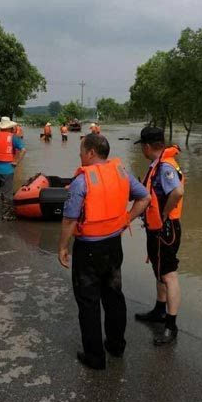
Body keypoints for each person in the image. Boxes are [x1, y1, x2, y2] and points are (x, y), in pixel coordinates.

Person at [58, 134, 150, 370]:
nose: (79, 155)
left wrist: (62, 247)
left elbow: (69, 220)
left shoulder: (82, 181)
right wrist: (126, 220)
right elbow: (145, 197)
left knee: (88, 303)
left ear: (90, 153)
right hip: (113, 246)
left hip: (88, 250)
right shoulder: (122, 173)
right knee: (114, 296)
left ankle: (95, 357)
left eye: (81, 151)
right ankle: (117, 346)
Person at [134, 127, 185, 346]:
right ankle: (159, 310)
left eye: (142, 147)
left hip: (166, 228)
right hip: (157, 228)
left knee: (169, 275)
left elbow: (177, 192)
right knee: (159, 270)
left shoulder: (165, 166)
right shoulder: (158, 164)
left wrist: (164, 214)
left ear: (147, 146)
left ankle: (171, 326)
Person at [0, 116, 25, 220]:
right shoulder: (13, 137)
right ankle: (6, 214)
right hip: (8, 169)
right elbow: (23, 150)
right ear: (10, 127)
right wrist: (16, 162)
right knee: (7, 192)